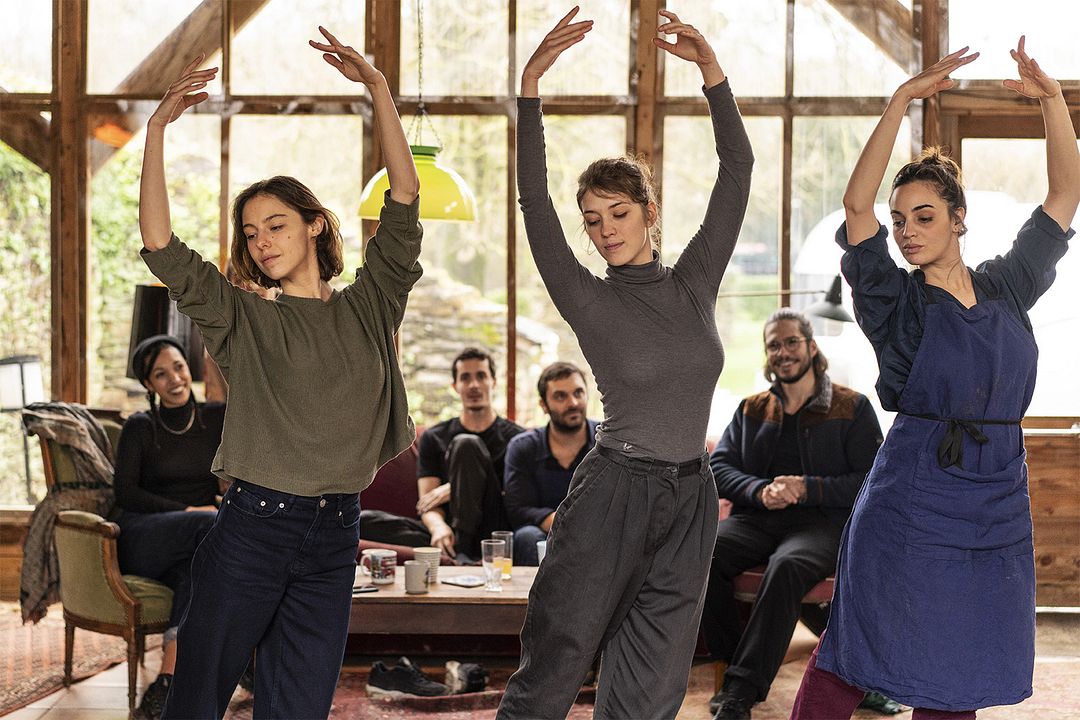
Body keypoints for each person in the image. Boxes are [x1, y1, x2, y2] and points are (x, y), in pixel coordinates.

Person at [138, 25, 422, 719]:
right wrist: (155, 135)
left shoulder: (372, 302)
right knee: (198, 698)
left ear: (316, 226)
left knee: (299, 706)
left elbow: (405, 200)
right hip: (254, 528)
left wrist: (378, 89)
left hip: (335, 533)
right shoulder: (244, 318)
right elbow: (161, 246)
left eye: (277, 225)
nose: (261, 242)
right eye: (252, 233)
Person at [791, 38, 1078, 720]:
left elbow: (1067, 192)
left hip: (997, 499)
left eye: (924, 217)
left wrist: (1052, 101)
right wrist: (899, 103)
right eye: (900, 222)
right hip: (912, 501)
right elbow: (854, 206)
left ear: (958, 219)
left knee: (964, 664)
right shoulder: (896, 303)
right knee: (855, 652)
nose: (907, 232)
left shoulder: (1008, 284)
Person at [499, 8, 753, 718]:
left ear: (647, 210)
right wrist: (529, 90)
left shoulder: (694, 282)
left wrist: (712, 76)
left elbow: (738, 171)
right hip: (613, 493)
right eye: (592, 219)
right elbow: (533, 206)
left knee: (652, 683)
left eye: (616, 213)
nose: (603, 230)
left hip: (690, 497)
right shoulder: (585, 296)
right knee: (557, 660)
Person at [702, 309, 882, 720]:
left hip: (821, 524)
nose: (782, 352)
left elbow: (871, 479)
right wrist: (759, 490)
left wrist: (807, 487)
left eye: (791, 342)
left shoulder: (852, 407)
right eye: (774, 345)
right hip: (757, 518)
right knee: (701, 553)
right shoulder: (752, 408)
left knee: (787, 566)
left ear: (811, 347)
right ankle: (735, 666)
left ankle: (739, 695)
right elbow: (720, 466)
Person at [111, 335, 223, 718]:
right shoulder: (140, 427)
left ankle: (167, 681)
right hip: (144, 535)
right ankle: (238, 661)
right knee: (208, 527)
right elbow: (125, 493)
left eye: (178, 366)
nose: (174, 378)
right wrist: (190, 509)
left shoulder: (216, 418)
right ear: (148, 385)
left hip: (200, 535)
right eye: (161, 374)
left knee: (197, 569)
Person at [414, 347, 524, 561]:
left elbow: (515, 499)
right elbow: (427, 502)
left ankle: (462, 552)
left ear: (493, 382)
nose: (474, 385)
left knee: (466, 445)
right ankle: (452, 545)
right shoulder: (433, 437)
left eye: (481, 376)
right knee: (369, 521)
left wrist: (453, 488)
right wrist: (438, 528)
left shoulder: (517, 439)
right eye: (465, 378)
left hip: (493, 530)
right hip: (449, 528)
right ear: (455, 387)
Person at [503, 361, 598, 566]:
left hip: (598, 531)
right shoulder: (523, 447)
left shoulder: (607, 443)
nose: (573, 403)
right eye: (560, 396)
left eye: (578, 393)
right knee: (526, 536)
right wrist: (560, 521)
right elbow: (517, 508)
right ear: (544, 405)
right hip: (544, 534)